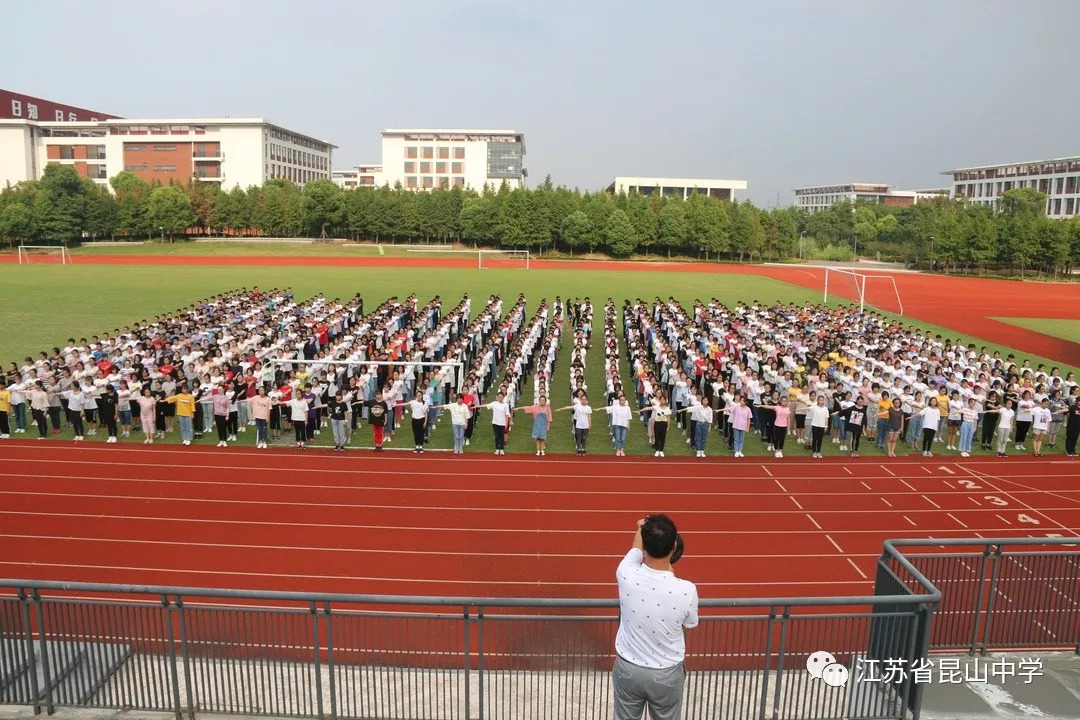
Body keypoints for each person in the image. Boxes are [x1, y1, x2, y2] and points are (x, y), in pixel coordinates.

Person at [613, 515, 698, 720]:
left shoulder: (625, 573)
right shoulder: (686, 590)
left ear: (645, 547)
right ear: (674, 546)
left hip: (628, 668)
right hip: (666, 673)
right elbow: (690, 623)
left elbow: (634, 551)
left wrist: (641, 528)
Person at [807, 395, 830, 459]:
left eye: (822, 400)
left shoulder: (825, 408)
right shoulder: (814, 407)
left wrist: (826, 426)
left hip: (822, 426)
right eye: (820, 400)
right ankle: (814, 452)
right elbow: (807, 408)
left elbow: (826, 418)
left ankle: (818, 452)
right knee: (814, 439)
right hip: (815, 425)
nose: (821, 401)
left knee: (820, 440)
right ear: (818, 401)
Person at [1064, 389, 1080, 457]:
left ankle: (1073, 450)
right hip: (1071, 426)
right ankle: (1068, 451)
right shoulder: (1073, 407)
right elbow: (1065, 411)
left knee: (1075, 438)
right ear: (1077, 402)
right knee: (1070, 438)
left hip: (1078, 426)